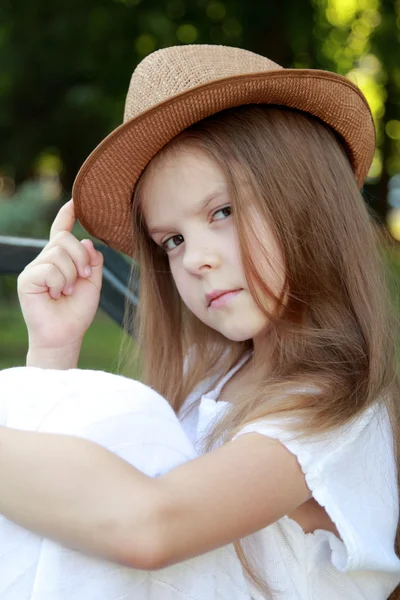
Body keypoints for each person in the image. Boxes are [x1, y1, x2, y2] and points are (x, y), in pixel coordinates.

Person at [0, 44, 399, 600]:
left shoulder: (334, 414)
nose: (194, 258)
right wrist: (53, 350)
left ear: (306, 201)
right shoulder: (203, 380)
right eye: (173, 240)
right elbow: (57, 509)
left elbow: (148, 526)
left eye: (222, 212)